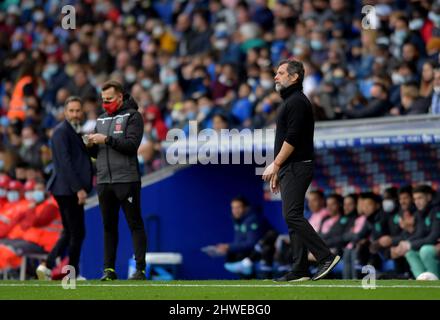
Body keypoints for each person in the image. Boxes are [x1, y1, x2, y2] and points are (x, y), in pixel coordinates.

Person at [262, 59, 340, 282]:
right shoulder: (291, 101)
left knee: (292, 215)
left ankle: (325, 257)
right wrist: (279, 168)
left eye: (280, 73)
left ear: (294, 77)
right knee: (292, 217)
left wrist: (276, 164)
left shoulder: (296, 101)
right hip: (291, 166)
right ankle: (299, 269)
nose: (275, 77)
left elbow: (293, 138)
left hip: (297, 166)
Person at [87, 80, 147, 281]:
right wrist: (90, 146)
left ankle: (140, 269)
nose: (105, 103)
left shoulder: (133, 116)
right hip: (104, 180)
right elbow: (98, 154)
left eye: (109, 99)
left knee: (134, 224)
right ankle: (109, 270)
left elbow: (131, 145)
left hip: (126, 179)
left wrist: (106, 140)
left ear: (120, 97)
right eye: (103, 100)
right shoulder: (101, 119)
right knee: (108, 227)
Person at [39, 96, 93, 280]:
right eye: (72, 111)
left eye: (78, 110)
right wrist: (78, 188)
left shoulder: (73, 131)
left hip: (66, 189)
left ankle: (47, 264)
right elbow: (66, 164)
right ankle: (72, 273)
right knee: (77, 233)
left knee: (70, 231)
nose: (75, 114)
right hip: (68, 190)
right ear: (65, 112)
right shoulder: (62, 132)